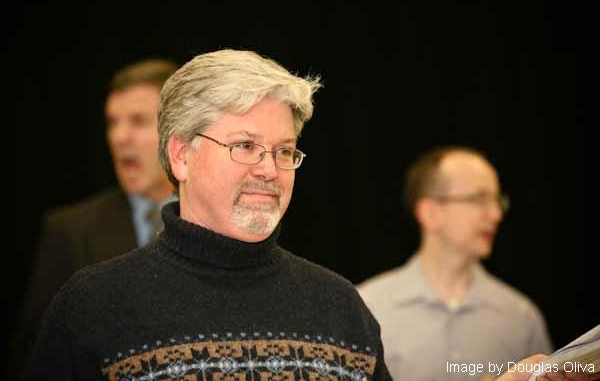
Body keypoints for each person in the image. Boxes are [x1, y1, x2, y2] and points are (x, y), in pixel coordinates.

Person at [25, 49, 393, 381]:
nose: (269, 169)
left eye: (284, 151)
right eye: (245, 146)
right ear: (181, 155)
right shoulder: (93, 307)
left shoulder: (341, 308)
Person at [10, 59, 178, 378]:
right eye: (112, 123)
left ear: (179, 132)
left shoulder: (220, 222)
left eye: (138, 121)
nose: (120, 137)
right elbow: (37, 354)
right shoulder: (69, 230)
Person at [358, 146, 553, 380]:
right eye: (479, 199)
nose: (495, 214)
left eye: (497, 200)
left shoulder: (521, 318)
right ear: (430, 213)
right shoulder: (368, 307)